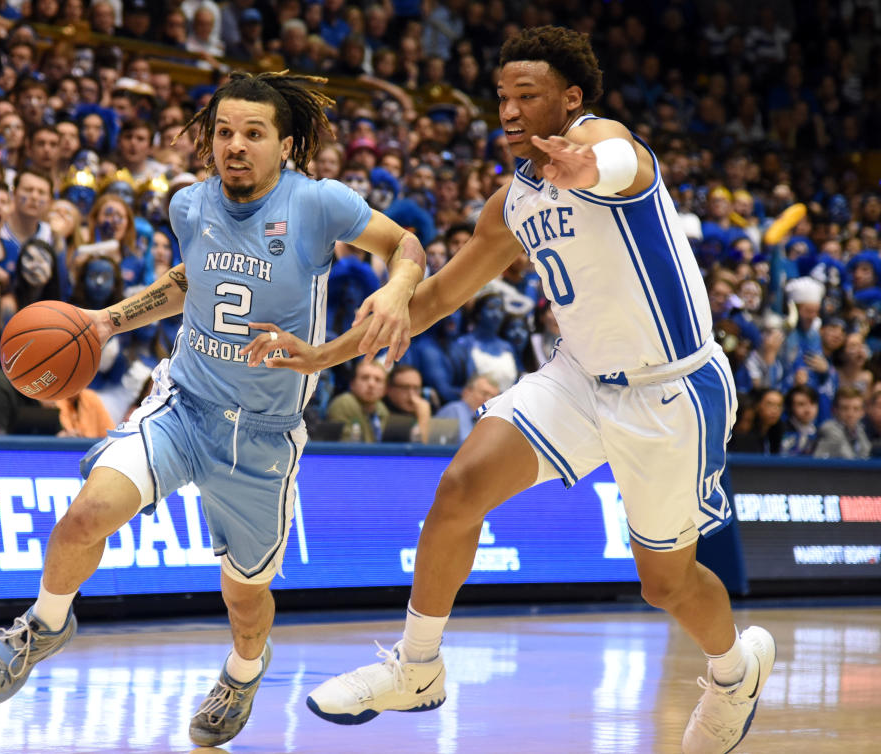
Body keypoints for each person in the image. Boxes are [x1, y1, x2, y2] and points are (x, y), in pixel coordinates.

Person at [243, 26, 775, 754]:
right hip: (578, 375)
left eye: (529, 95)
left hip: (671, 390)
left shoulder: (611, 146)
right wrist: (320, 357)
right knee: (460, 487)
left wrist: (589, 164)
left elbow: (618, 159)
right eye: (503, 96)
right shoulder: (511, 204)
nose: (511, 109)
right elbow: (429, 303)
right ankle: (418, 666)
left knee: (667, 584)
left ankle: (732, 670)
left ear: (571, 99)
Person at [0, 71, 426, 749]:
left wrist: (397, 292)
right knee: (85, 516)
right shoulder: (190, 204)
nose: (235, 146)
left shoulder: (320, 203)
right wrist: (108, 321)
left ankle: (242, 672)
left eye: (253, 134)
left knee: (245, 601)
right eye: (225, 132)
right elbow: (194, 278)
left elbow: (405, 246)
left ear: (286, 145)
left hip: (263, 437)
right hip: (184, 403)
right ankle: (45, 621)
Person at [326, 360, 389, 442]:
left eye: (378, 380)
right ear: (352, 384)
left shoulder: (382, 410)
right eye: (365, 378)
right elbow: (348, 447)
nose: (371, 384)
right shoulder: (344, 403)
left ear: (385, 389)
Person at [435, 372, 499, 443]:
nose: (488, 400)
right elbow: (437, 448)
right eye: (484, 394)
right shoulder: (453, 411)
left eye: (493, 397)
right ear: (467, 392)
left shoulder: (492, 421)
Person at [813, 386, 870, 459]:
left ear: (862, 412)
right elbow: (848, 458)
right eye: (845, 408)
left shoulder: (860, 429)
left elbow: (866, 453)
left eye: (856, 409)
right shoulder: (828, 429)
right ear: (834, 410)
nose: (850, 414)